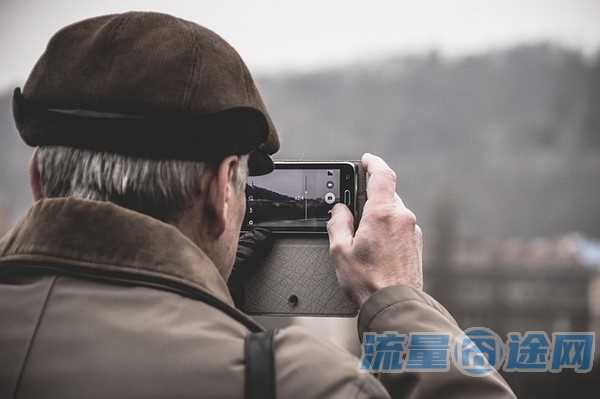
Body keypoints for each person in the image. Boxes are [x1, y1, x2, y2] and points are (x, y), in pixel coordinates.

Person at [0, 11, 516, 399]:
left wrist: (201, 290)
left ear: (38, 178)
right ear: (220, 190)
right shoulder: (297, 381)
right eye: (244, 186)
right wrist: (398, 298)